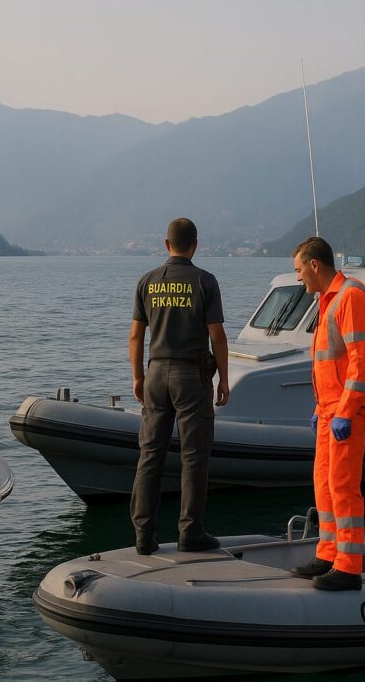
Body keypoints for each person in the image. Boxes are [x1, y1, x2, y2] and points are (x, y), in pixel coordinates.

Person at [129, 218, 230, 555]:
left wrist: (138, 377)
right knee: (194, 457)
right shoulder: (205, 282)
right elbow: (217, 336)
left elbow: (135, 335)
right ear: (195, 245)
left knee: (150, 455)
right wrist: (224, 380)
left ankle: (144, 537)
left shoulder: (148, 281)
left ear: (166, 244)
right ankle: (191, 532)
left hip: (156, 372)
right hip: (191, 377)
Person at [289, 237, 365, 591]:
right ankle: (328, 553)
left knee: (343, 485)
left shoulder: (350, 297)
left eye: (299, 270)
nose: (298, 278)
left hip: (349, 410)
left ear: (314, 265)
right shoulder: (327, 301)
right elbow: (330, 366)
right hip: (330, 410)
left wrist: (345, 410)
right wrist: (320, 408)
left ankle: (349, 566)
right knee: (324, 484)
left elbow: (362, 361)